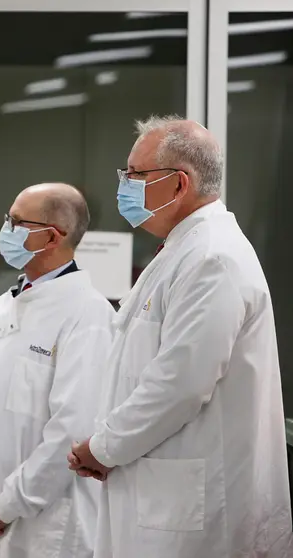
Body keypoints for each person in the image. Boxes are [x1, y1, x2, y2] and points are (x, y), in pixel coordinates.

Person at [68, 116, 293, 557]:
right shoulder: (183, 249)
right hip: (163, 493)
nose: (125, 185)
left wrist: (104, 446)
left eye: (135, 175)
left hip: (195, 510)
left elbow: (180, 384)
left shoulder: (213, 258)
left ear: (178, 184)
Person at [0, 183, 115, 558]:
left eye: (16, 221)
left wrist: (5, 506)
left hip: (45, 530)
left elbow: (71, 433)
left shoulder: (89, 314)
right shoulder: (2, 309)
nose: (6, 229)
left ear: (52, 237)